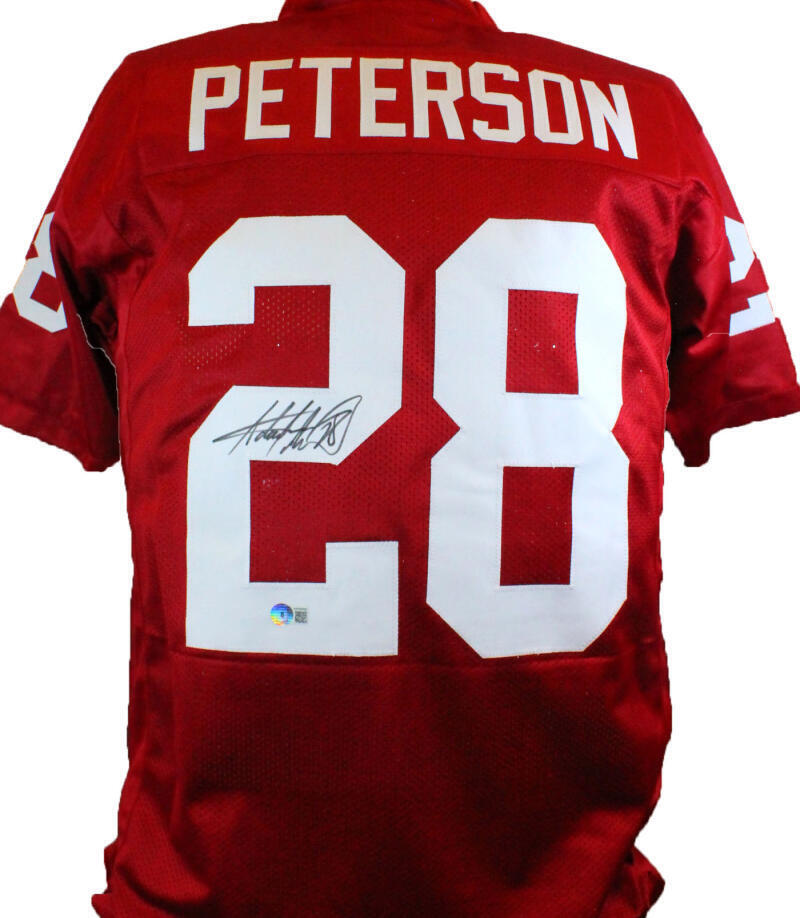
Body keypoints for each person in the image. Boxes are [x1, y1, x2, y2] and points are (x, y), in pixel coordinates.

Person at [1, 1, 798, 915]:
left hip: (212, 877)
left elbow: (61, 400)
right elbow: (725, 390)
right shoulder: (641, 119)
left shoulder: (151, 106)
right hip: (562, 878)